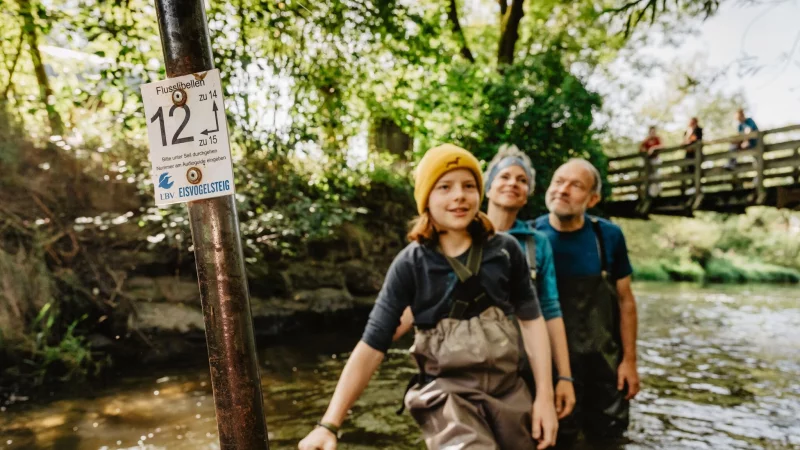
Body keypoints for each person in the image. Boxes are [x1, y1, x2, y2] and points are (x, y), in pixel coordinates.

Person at [298, 144, 559, 450]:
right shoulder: (410, 264)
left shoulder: (506, 250)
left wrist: (545, 397)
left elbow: (532, 322)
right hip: (446, 397)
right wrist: (329, 424)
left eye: (469, 186)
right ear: (426, 200)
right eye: (444, 187)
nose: (459, 195)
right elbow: (372, 344)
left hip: (509, 391)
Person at [534, 159, 640, 446]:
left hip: (604, 367)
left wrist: (629, 362)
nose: (563, 190)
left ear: (593, 199)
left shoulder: (608, 237)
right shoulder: (529, 238)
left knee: (609, 440)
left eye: (575, 185)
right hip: (550, 367)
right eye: (558, 181)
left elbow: (625, 301)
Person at [482, 144, 576, 420]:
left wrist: (564, 378)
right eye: (505, 177)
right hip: (467, 368)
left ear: (527, 197)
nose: (513, 183)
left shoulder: (537, 244)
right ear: (487, 188)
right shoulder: (461, 232)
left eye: (522, 180)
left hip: (521, 370)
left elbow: (550, 309)